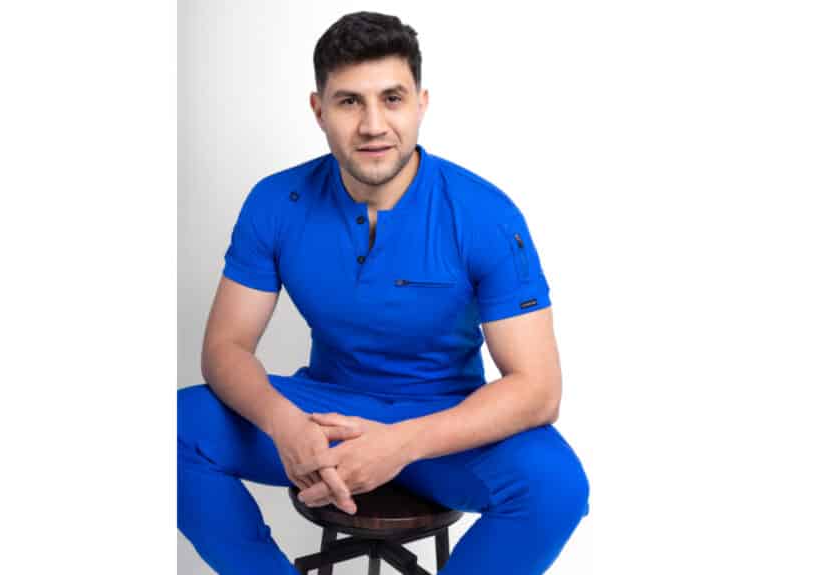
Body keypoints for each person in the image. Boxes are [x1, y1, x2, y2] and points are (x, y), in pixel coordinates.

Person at [178, 11, 590, 574]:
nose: (373, 125)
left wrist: (401, 443)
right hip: (325, 412)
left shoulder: (485, 215)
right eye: (350, 101)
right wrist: (284, 423)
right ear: (319, 110)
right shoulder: (276, 202)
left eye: (391, 99)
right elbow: (225, 347)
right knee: (172, 429)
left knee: (557, 488)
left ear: (420, 104)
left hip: (444, 423)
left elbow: (539, 390)